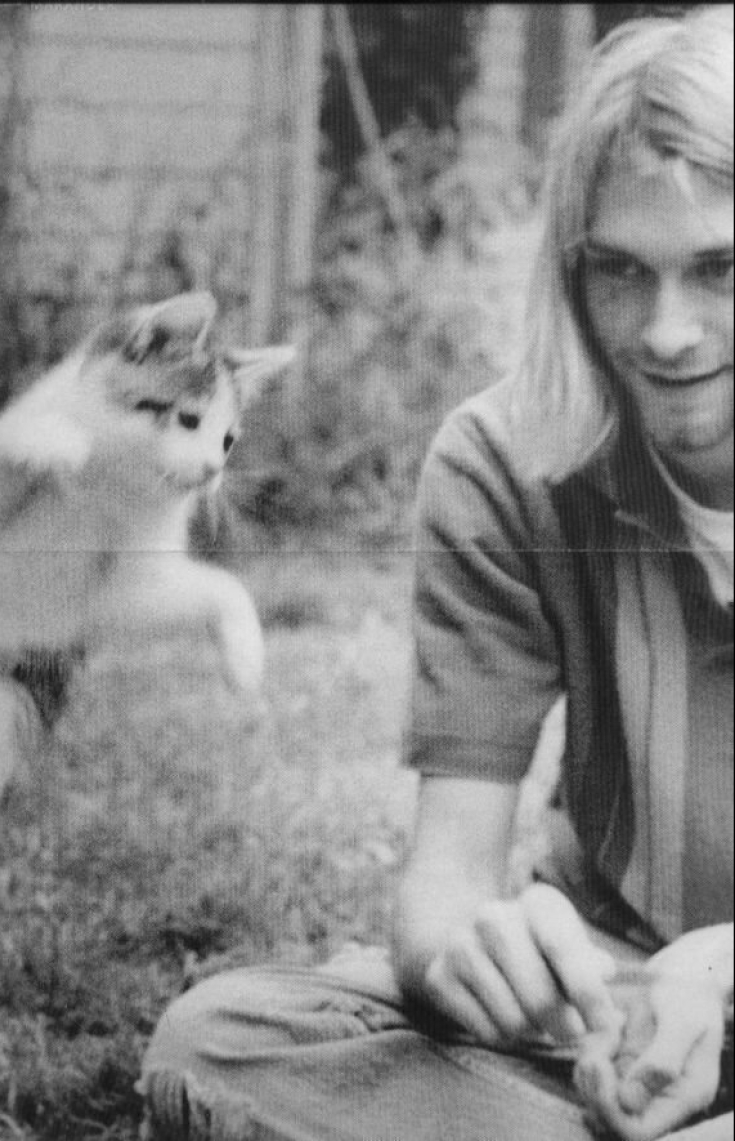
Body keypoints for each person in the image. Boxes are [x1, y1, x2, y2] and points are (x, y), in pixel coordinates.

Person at [138, 7, 733, 1139]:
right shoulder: (511, 464)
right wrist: (472, 952)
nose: (667, 333)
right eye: (620, 271)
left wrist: (724, 964)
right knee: (220, 1044)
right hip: (604, 1013)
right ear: (571, 270)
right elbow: (444, 883)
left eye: (722, 268)